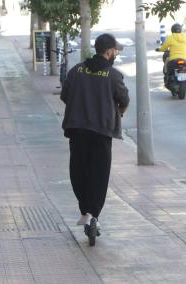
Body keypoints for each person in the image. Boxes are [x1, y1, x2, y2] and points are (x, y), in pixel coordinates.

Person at [60, 33, 130, 245]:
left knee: (79, 171)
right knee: (99, 174)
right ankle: (92, 214)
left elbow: (65, 96)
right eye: (115, 51)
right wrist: (118, 112)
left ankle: (86, 211)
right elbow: (124, 100)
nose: (116, 53)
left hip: (77, 129)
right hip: (101, 131)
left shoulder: (76, 70)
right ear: (109, 52)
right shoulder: (113, 75)